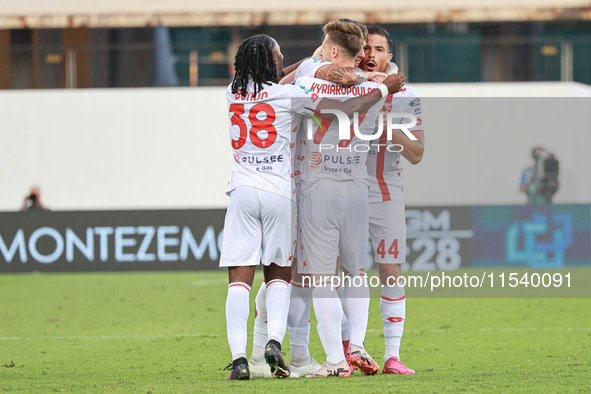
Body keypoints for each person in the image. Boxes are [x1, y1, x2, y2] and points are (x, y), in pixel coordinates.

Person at [221, 33, 405, 381]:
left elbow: (277, 75)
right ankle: (278, 341)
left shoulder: (232, 92)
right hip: (280, 192)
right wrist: (379, 84)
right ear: (272, 62)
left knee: (239, 281)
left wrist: (308, 59)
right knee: (280, 276)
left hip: (242, 191)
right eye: (278, 56)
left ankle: (241, 359)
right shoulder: (293, 94)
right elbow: (339, 97)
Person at [293, 19, 406, 378]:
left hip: (319, 186)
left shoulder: (310, 78)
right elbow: (370, 88)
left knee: (323, 278)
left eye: (325, 46)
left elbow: (307, 77)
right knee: (357, 273)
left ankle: (336, 361)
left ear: (332, 51)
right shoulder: (376, 86)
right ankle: (355, 343)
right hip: (358, 188)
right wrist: (383, 84)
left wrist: (319, 61)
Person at [360, 25, 424, 375]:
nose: (371, 54)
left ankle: (392, 356)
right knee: (345, 273)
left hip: (386, 193)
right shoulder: (345, 88)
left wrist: (388, 125)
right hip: (344, 191)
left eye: (379, 49)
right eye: (366, 48)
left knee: (390, 271)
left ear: (390, 57)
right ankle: (348, 351)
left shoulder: (407, 95)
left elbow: (416, 153)